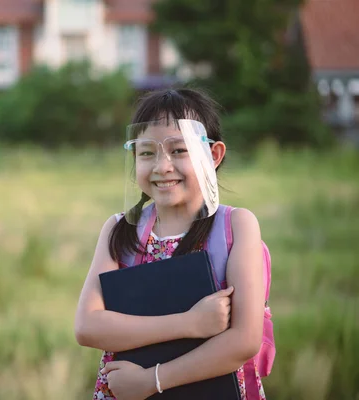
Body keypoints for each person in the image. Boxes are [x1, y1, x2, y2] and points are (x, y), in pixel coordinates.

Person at [74, 88, 267, 400]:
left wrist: (152, 381)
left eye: (179, 150)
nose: (162, 166)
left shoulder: (235, 226)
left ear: (213, 155)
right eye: (147, 152)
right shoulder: (119, 230)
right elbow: (87, 326)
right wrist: (190, 323)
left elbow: (244, 341)